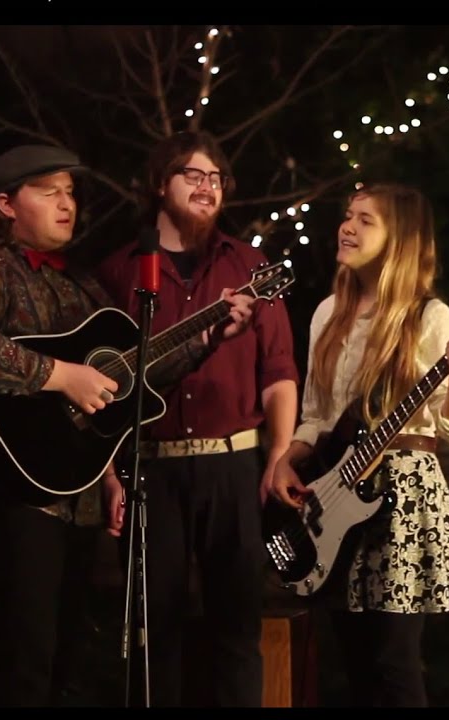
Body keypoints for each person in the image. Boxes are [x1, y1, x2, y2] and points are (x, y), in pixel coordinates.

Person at [95, 130, 299, 707]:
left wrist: (278, 454)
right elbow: (103, 384)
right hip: (151, 470)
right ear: (161, 184)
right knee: (152, 634)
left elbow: (279, 370)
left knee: (237, 630)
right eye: (194, 174)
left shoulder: (251, 265)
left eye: (217, 178)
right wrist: (109, 475)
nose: (208, 187)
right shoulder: (119, 271)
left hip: (232, 465)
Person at [269, 183, 449, 707]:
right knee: (355, 662)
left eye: (366, 220)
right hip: (336, 493)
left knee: (393, 659)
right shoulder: (327, 313)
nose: (348, 227)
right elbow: (317, 415)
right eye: (349, 215)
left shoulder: (429, 317)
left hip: (403, 497)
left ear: (399, 239)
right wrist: (287, 459)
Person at [0, 144, 126, 706]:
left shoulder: (82, 284)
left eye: (70, 192)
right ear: (6, 204)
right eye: (49, 192)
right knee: (20, 663)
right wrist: (58, 374)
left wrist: (111, 473)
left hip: (78, 495)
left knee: (65, 662)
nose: (67, 204)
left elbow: (108, 388)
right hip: (9, 495)